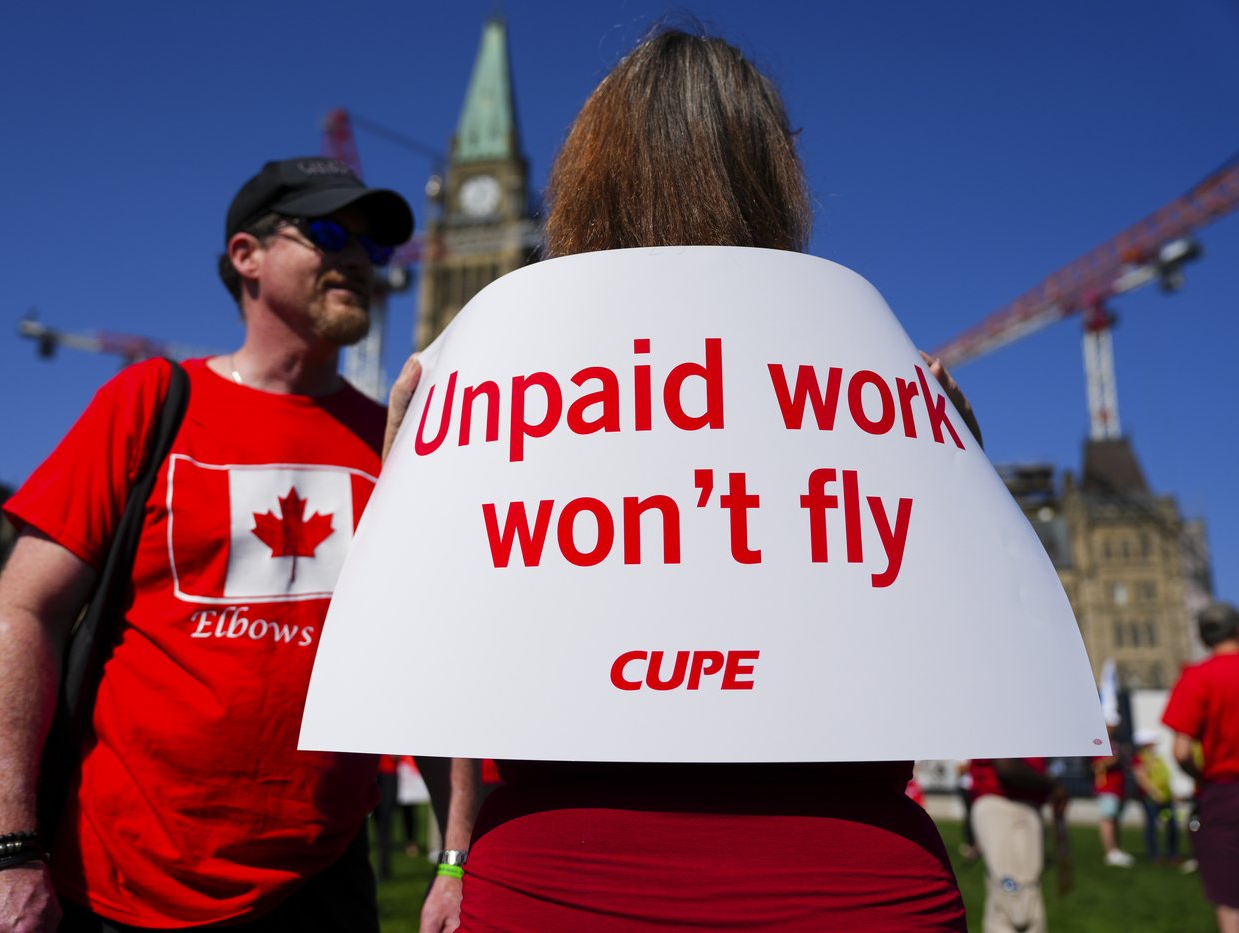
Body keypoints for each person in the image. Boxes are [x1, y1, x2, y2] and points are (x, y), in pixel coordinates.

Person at [383, 28, 976, 931]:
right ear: (777, 175)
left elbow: (436, 663)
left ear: (583, 179)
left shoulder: (508, 399)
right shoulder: (872, 381)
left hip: (559, 871)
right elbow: (946, 654)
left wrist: (457, 851)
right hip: (854, 874)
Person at [0, 157, 473, 933]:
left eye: (375, 248)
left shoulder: (400, 442)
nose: (360, 260)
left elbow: (430, 667)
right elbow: (23, 610)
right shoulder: (150, 399)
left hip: (322, 887)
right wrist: (0, 848)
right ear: (246, 256)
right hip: (115, 887)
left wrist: (456, 858)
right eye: (332, 233)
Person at [1162, 602, 1239, 933]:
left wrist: (1202, 778)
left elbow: (1180, 752)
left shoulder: (1197, 677)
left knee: (1229, 899)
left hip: (1222, 793)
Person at [967, 758, 1068, 933]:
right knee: (1016, 897)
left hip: (1014, 804)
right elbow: (1007, 767)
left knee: (1011, 894)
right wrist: (1052, 784)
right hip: (1005, 803)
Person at [1131, 729, 1180, 863]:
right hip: (1150, 799)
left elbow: (1165, 777)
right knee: (1152, 825)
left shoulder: (1157, 758)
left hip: (1166, 798)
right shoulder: (1139, 758)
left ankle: (1172, 854)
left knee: (1172, 825)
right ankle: (1154, 855)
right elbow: (1141, 778)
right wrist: (1154, 793)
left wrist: (1172, 793)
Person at [1093, 723, 1135, 867]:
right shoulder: (1097, 742)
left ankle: (1116, 849)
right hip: (1106, 787)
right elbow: (1096, 765)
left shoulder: (1116, 743)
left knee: (1115, 819)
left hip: (1118, 788)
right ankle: (1110, 852)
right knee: (1108, 819)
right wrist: (1115, 758)